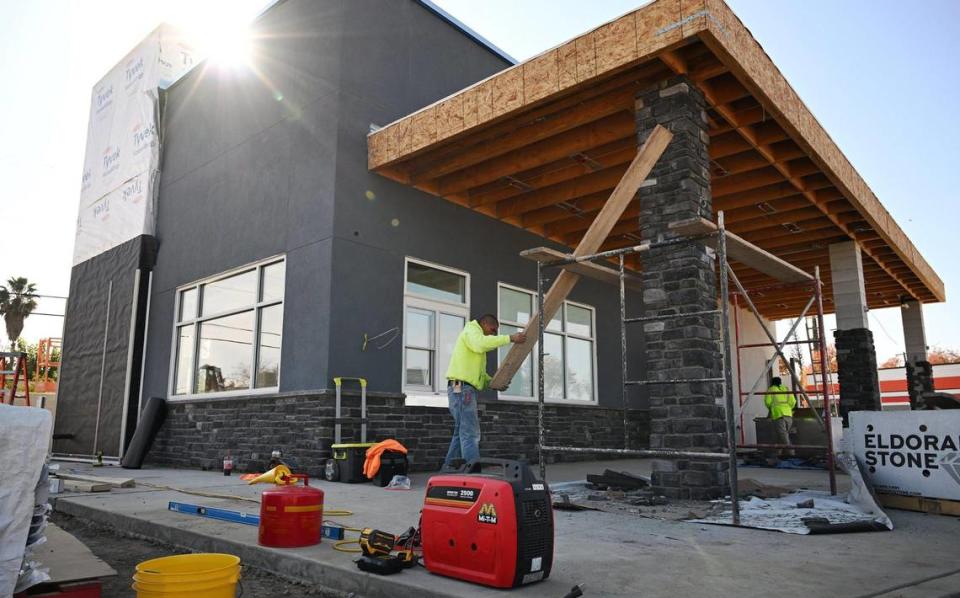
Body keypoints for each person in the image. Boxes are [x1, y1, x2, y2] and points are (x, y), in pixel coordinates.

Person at [442, 314, 525, 470]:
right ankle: (473, 471)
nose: (493, 334)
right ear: (485, 324)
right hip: (461, 387)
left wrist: (495, 383)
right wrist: (510, 338)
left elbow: (480, 374)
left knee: (461, 432)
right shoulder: (472, 332)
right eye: (493, 330)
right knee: (470, 433)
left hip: (460, 387)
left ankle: (448, 469)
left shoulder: (474, 341)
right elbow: (481, 344)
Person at [764, 376, 797, 459]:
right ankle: (778, 453)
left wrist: (771, 408)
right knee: (781, 435)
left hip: (778, 415)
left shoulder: (771, 389)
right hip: (788, 415)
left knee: (783, 435)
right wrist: (788, 408)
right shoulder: (786, 389)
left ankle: (792, 453)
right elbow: (793, 402)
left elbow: (767, 402)